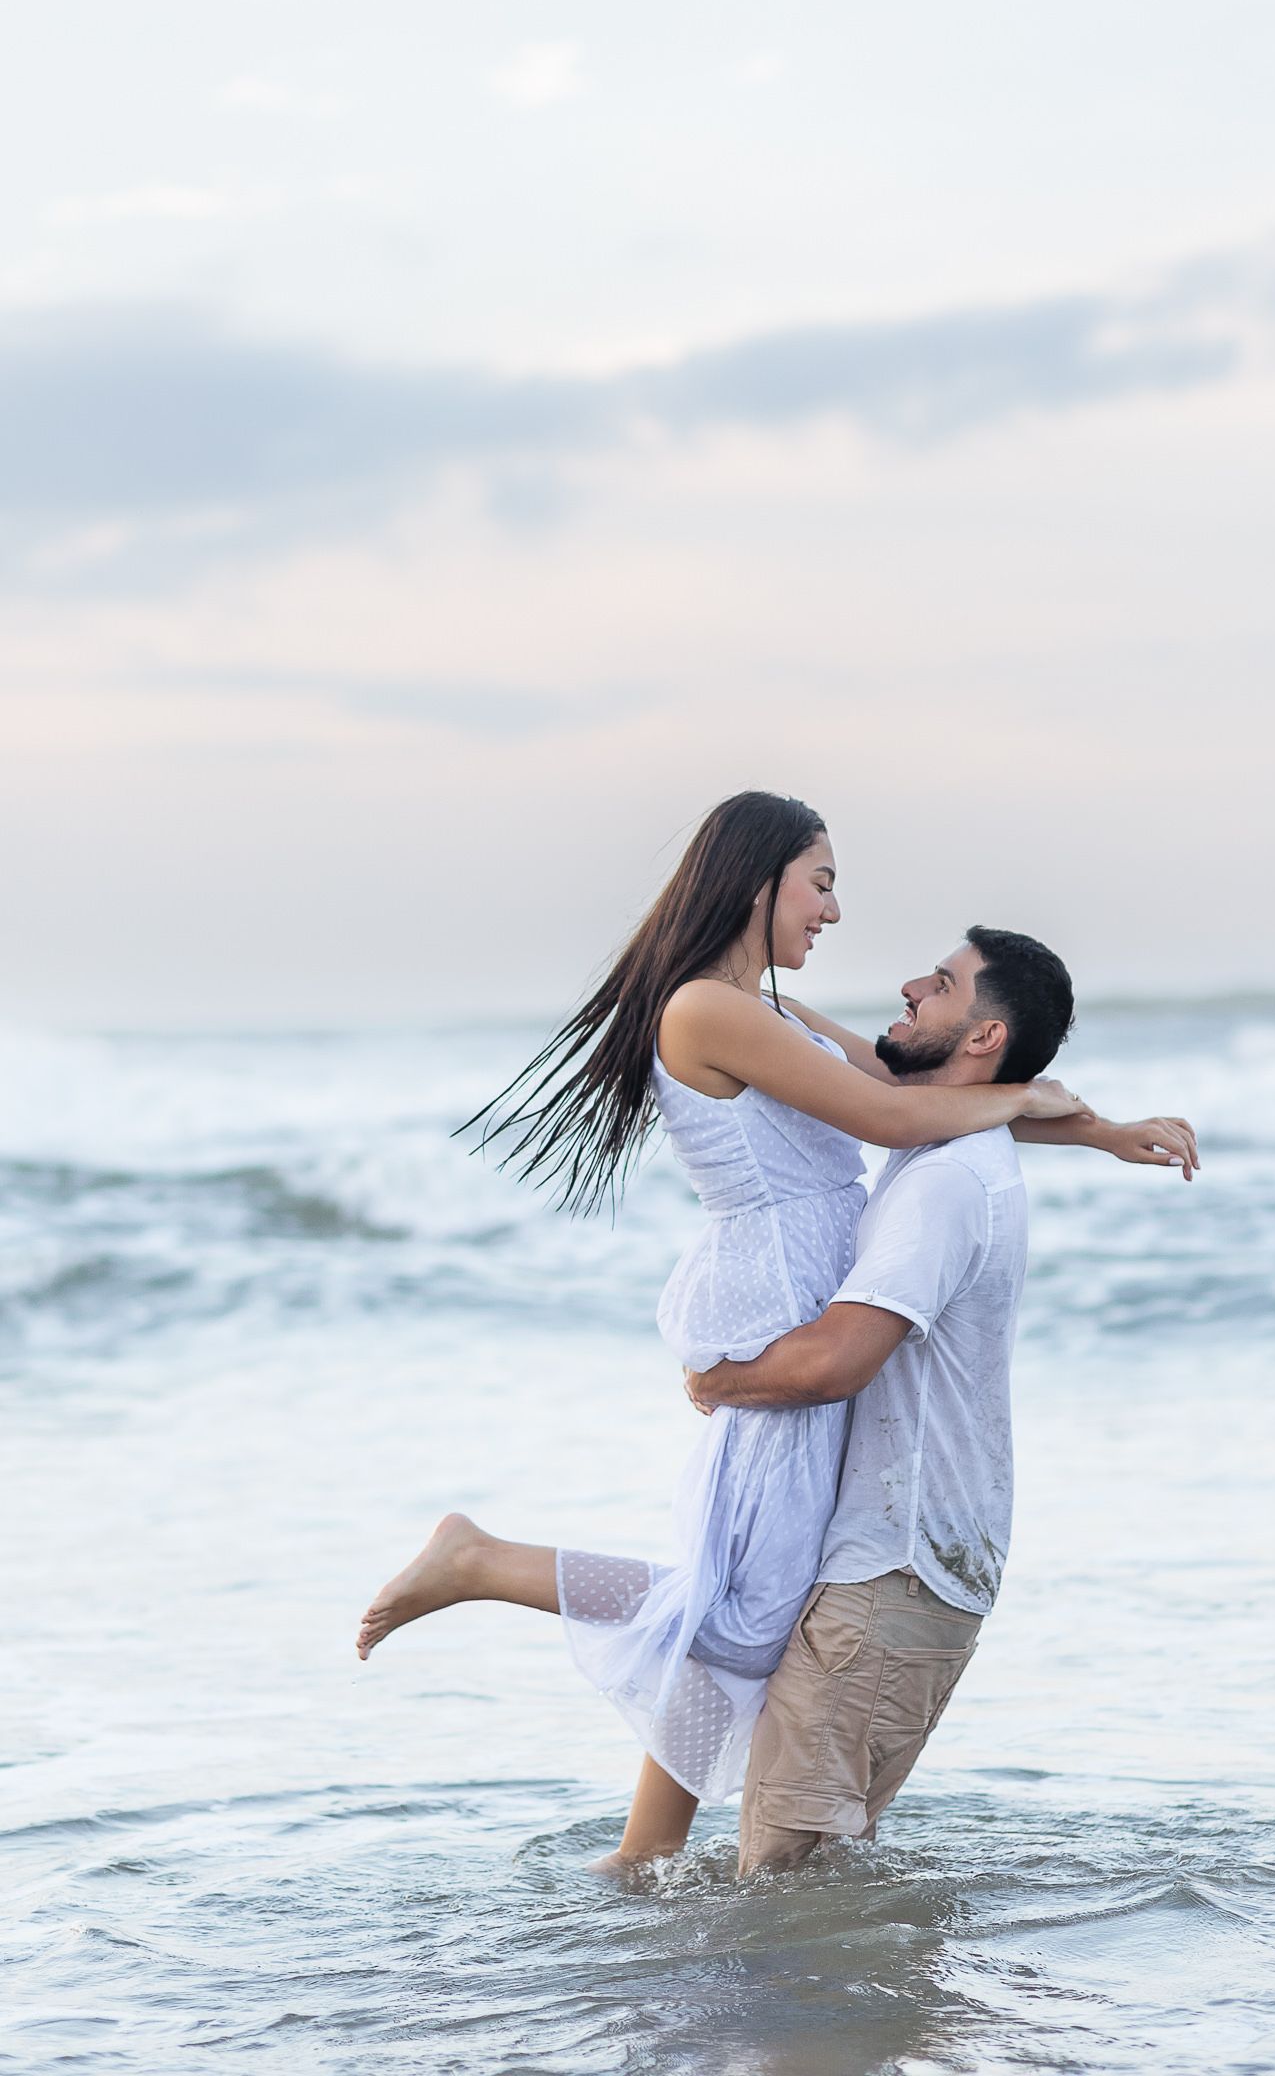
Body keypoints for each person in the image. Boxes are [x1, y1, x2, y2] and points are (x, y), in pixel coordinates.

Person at [355, 793, 1110, 1869]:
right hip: (775, 1300)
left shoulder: (772, 1014)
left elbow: (911, 1078)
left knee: (749, 1591)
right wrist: (1030, 1102)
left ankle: (642, 1851)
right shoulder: (705, 1011)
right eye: (821, 881)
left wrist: (1096, 1129)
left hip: (802, 1288)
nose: (834, 912)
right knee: (745, 1614)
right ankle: (483, 1563)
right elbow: (899, 1118)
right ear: (757, 882)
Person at [685, 926, 1197, 1876]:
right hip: (914, 1565)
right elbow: (862, 1075)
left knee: (784, 1886)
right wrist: (1092, 1128)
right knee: (814, 1879)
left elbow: (840, 1361)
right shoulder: (949, 1143)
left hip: (896, 1573)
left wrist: (718, 1380)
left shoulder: (948, 1182)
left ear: (983, 1039)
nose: (914, 984)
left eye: (946, 983)